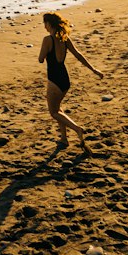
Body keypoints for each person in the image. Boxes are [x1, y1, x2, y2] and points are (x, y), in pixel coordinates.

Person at [39, 11, 103, 151]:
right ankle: (63, 139)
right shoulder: (64, 38)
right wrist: (94, 70)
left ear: (49, 24)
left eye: (45, 24)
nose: (44, 27)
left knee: (53, 112)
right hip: (65, 80)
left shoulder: (47, 40)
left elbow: (40, 59)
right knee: (58, 108)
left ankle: (77, 129)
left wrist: (43, 53)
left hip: (54, 80)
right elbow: (78, 55)